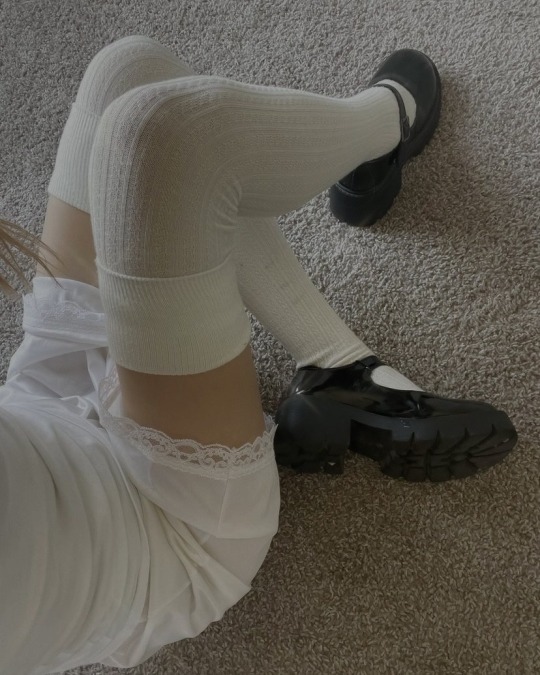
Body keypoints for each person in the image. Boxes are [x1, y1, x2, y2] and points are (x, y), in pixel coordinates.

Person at [0, 36, 517, 674]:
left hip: (38, 413)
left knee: (130, 72)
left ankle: (337, 365)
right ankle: (387, 125)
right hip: (152, 530)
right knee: (165, 136)